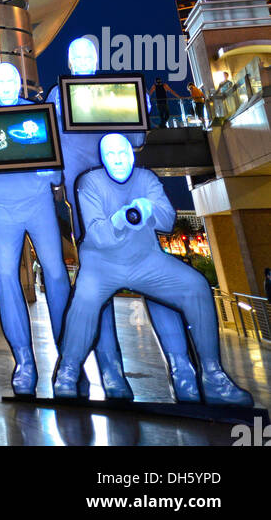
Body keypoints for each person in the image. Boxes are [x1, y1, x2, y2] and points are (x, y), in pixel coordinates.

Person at [48, 37, 197, 401]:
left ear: (97, 59)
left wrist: (140, 109)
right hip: (90, 211)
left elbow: (135, 137)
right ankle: (111, 370)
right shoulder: (57, 96)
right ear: (68, 62)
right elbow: (49, 147)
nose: (82, 59)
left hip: (130, 203)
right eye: (75, 55)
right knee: (95, 290)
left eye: (88, 54)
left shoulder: (116, 93)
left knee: (155, 277)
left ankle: (181, 367)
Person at [53, 136, 253, 406]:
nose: (119, 159)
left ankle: (213, 376)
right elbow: (99, 236)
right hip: (101, 265)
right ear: (103, 158)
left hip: (146, 261)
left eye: (123, 152)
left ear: (132, 154)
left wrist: (147, 210)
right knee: (84, 302)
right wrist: (121, 219)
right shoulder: (90, 183)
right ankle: (69, 371)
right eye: (110, 154)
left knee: (195, 286)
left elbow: (168, 220)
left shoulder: (146, 179)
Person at [0, 62, 71, 396]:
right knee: (7, 276)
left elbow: (57, 163)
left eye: (11, 79)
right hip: (4, 209)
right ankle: (23, 359)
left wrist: (50, 174)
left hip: (38, 204)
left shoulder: (37, 113)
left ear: (19, 82)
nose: (6, 85)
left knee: (55, 272)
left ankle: (69, 355)